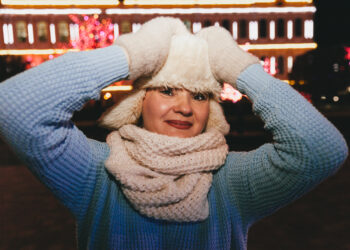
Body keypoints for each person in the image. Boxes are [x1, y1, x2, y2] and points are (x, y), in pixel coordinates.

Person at [0, 17, 348, 250]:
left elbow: (321, 149)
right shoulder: (96, 172)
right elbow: (15, 107)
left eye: (199, 95)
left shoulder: (231, 180)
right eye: (167, 89)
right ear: (139, 102)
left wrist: (241, 70)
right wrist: (132, 55)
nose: (185, 107)